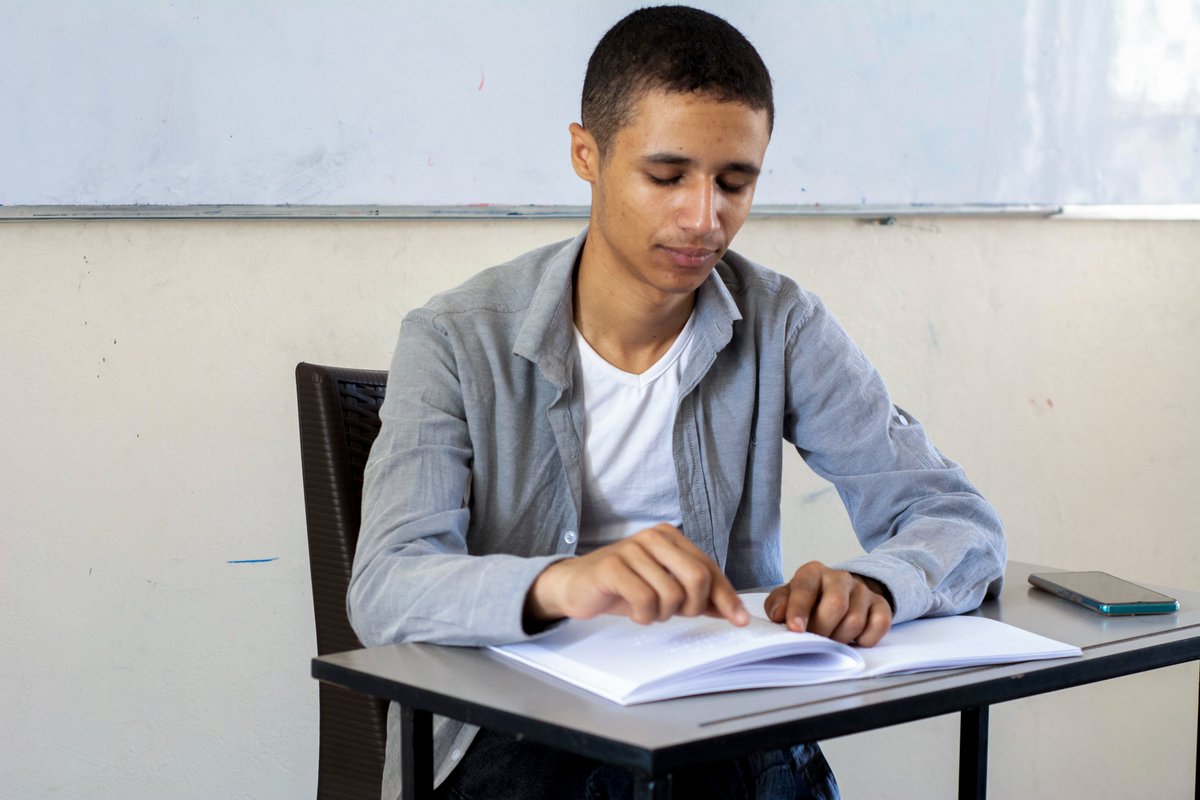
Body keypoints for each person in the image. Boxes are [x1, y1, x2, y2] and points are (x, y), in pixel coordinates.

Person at [349, 6, 1005, 799]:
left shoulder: (783, 325)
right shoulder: (455, 339)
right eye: (667, 177)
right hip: (513, 733)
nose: (705, 217)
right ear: (585, 155)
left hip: (717, 724)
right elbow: (386, 585)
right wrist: (564, 584)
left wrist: (875, 585)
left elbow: (956, 517)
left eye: (736, 181)